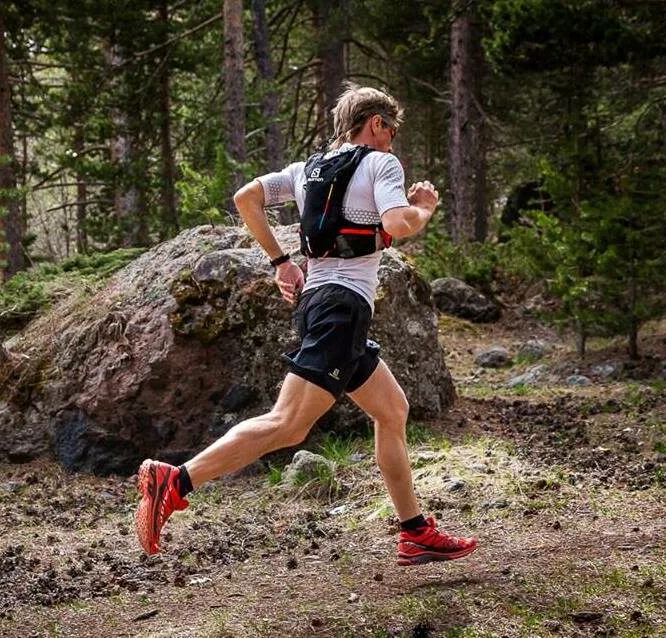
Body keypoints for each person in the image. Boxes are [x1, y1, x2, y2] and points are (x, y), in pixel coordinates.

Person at [135, 84, 477, 567]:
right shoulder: (381, 164)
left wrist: (280, 261)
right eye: (391, 131)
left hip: (322, 302)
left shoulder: (304, 171)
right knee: (288, 425)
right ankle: (176, 480)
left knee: (391, 409)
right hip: (342, 309)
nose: (392, 142)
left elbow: (246, 196)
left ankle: (415, 532)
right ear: (376, 124)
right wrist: (423, 205)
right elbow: (399, 224)